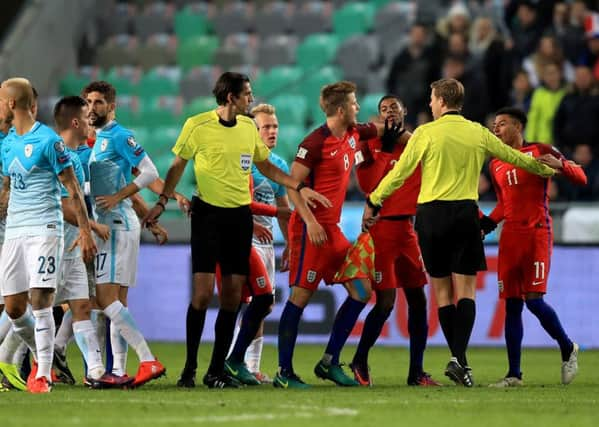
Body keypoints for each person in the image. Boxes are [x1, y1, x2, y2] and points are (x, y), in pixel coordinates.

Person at [362, 78, 556, 387]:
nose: (429, 103)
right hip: (464, 214)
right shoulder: (477, 132)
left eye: (431, 98)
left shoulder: (425, 133)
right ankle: (458, 359)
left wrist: (374, 199)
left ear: (440, 100)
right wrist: (548, 168)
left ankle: (460, 362)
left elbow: (399, 174)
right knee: (465, 291)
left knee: (441, 293)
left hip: (429, 217)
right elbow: (516, 158)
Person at [143, 71, 329, 389]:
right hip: (207, 216)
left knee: (231, 298)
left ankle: (215, 370)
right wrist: (162, 202)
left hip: (238, 219)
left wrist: (298, 185)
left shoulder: (246, 127)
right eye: (247, 94)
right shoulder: (197, 125)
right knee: (201, 297)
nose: (251, 99)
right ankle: (189, 368)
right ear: (231, 97)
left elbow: (265, 165)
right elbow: (177, 166)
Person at [274, 81, 384, 389]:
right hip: (311, 230)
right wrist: (309, 221)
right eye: (354, 103)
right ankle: (284, 372)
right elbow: (292, 184)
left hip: (332, 229)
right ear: (340, 109)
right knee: (300, 297)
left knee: (362, 290)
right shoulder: (314, 143)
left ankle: (329, 362)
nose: (358, 108)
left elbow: (380, 129)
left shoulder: (354, 133)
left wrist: (399, 123)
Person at [0, 78, 97, 393]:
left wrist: (85, 231)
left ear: (12, 104)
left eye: (1, 100)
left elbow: (71, 188)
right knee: (14, 308)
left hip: (45, 228)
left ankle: (41, 374)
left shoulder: (48, 142)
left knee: (41, 301)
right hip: (15, 230)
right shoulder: (7, 143)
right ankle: (40, 352)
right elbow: (7, 186)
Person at [483, 107, 584, 387]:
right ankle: (514, 374)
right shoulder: (496, 163)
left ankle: (567, 346)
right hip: (510, 238)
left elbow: (581, 177)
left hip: (537, 233)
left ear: (518, 126)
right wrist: (487, 224)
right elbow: (505, 203)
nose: (496, 129)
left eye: (502, 124)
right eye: (494, 124)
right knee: (512, 305)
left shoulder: (539, 150)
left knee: (534, 300)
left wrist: (562, 165)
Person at [352, 95, 440, 387]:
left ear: (404, 112)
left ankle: (416, 372)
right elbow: (367, 186)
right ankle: (359, 360)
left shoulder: (416, 143)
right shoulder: (369, 145)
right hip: (382, 231)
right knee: (386, 302)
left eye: (394, 107)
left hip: (407, 230)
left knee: (418, 299)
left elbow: (437, 155)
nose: (388, 111)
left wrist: (403, 139)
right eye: (383, 109)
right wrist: (386, 152)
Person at [82, 80, 165, 387]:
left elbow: (150, 172)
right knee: (117, 303)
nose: (92, 107)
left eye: (99, 102)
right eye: (89, 102)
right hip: (114, 225)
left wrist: (120, 196)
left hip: (117, 224)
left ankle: (148, 359)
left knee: (105, 299)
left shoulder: (119, 136)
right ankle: (118, 371)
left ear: (111, 107)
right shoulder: (100, 138)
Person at [239, 103, 291, 383]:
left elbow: (284, 209)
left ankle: (247, 366)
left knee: (262, 305)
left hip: (268, 244)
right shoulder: (243, 160)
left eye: (275, 126)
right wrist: (251, 223)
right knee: (253, 302)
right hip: (244, 238)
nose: (272, 131)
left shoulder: (278, 165)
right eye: (266, 127)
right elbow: (234, 200)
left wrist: (291, 246)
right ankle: (239, 363)